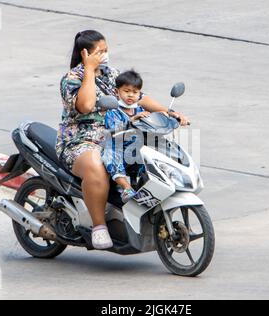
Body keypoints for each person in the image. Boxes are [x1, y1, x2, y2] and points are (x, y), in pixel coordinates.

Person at [56, 30, 189, 250]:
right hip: (81, 140)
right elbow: (86, 106)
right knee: (97, 166)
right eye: (100, 52)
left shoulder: (111, 74)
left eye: (106, 50)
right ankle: (99, 227)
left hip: (120, 133)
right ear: (85, 54)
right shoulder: (71, 79)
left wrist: (169, 112)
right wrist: (89, 69)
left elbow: (138, 96)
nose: (105, 55)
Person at [102, 70, 150, 203]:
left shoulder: (140, 110)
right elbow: (114, 131)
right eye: (126, 91)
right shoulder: (113, 111)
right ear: (117, 92)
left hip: (135, 148)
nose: (131, 95)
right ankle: (126, 187)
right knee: (112, 154)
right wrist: (133, 120)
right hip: (117, 148)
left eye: (135, 92)